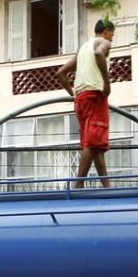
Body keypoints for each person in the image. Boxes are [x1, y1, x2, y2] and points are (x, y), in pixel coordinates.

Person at [56, 19, 115, 189]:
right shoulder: (102, 43)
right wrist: (107, 83)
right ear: (106, 31)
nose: (112, 39)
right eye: (112, 34)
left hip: (81, 99)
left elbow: (61, 73)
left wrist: (74, 93)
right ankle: (78, 184)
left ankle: (106, 186)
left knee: (94, 144)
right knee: (92, 142)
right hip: (95, 95)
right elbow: (99, 53)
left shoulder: (83, 48)